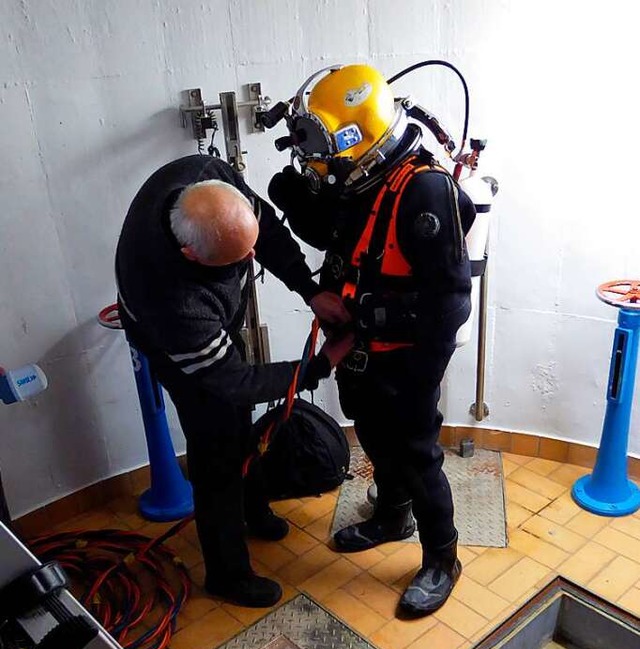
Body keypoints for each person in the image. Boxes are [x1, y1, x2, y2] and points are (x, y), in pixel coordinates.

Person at [268, 64, 477, 618]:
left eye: (328, 156)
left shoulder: (426, 189)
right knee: (371, 431)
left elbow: (452, 302)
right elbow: (345, 234)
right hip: (359, 346)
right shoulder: (361, 179)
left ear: (360, 138)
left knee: (415, 449)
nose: (322, 169)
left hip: (409, 355)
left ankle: (441, 556)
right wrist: (293, 198)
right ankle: (392, 514)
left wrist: (370, 316)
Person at [116, 154, 352, 608]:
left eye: (250, 250)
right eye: (238, 260)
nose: (250, 262)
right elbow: (237, 381)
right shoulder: (172, 304)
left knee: (239, 425)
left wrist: (310, 289)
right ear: (192, 254)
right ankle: (227, 573)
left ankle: (251, 509)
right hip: (171, 346)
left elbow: (269, 237)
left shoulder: (210, 179)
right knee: (217, 448)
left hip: (212, 324)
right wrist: (322, 365)